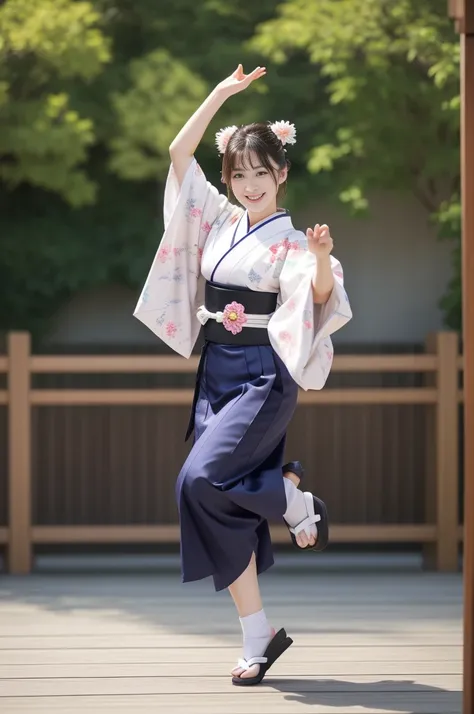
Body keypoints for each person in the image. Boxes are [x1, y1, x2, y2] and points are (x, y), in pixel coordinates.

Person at [134, 64, 352, 685]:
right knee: (202, 493)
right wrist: (221, 95)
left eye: (261, 173)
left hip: (264, 376)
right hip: (217, 372)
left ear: (282, 174)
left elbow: (319, 300)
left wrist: (320, 259)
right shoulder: (219, 218)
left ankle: (287, 496)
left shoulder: (291, 243)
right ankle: (259, 633)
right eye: (239, 173)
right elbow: (179, 152)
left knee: (198, 478)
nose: (249, 184)